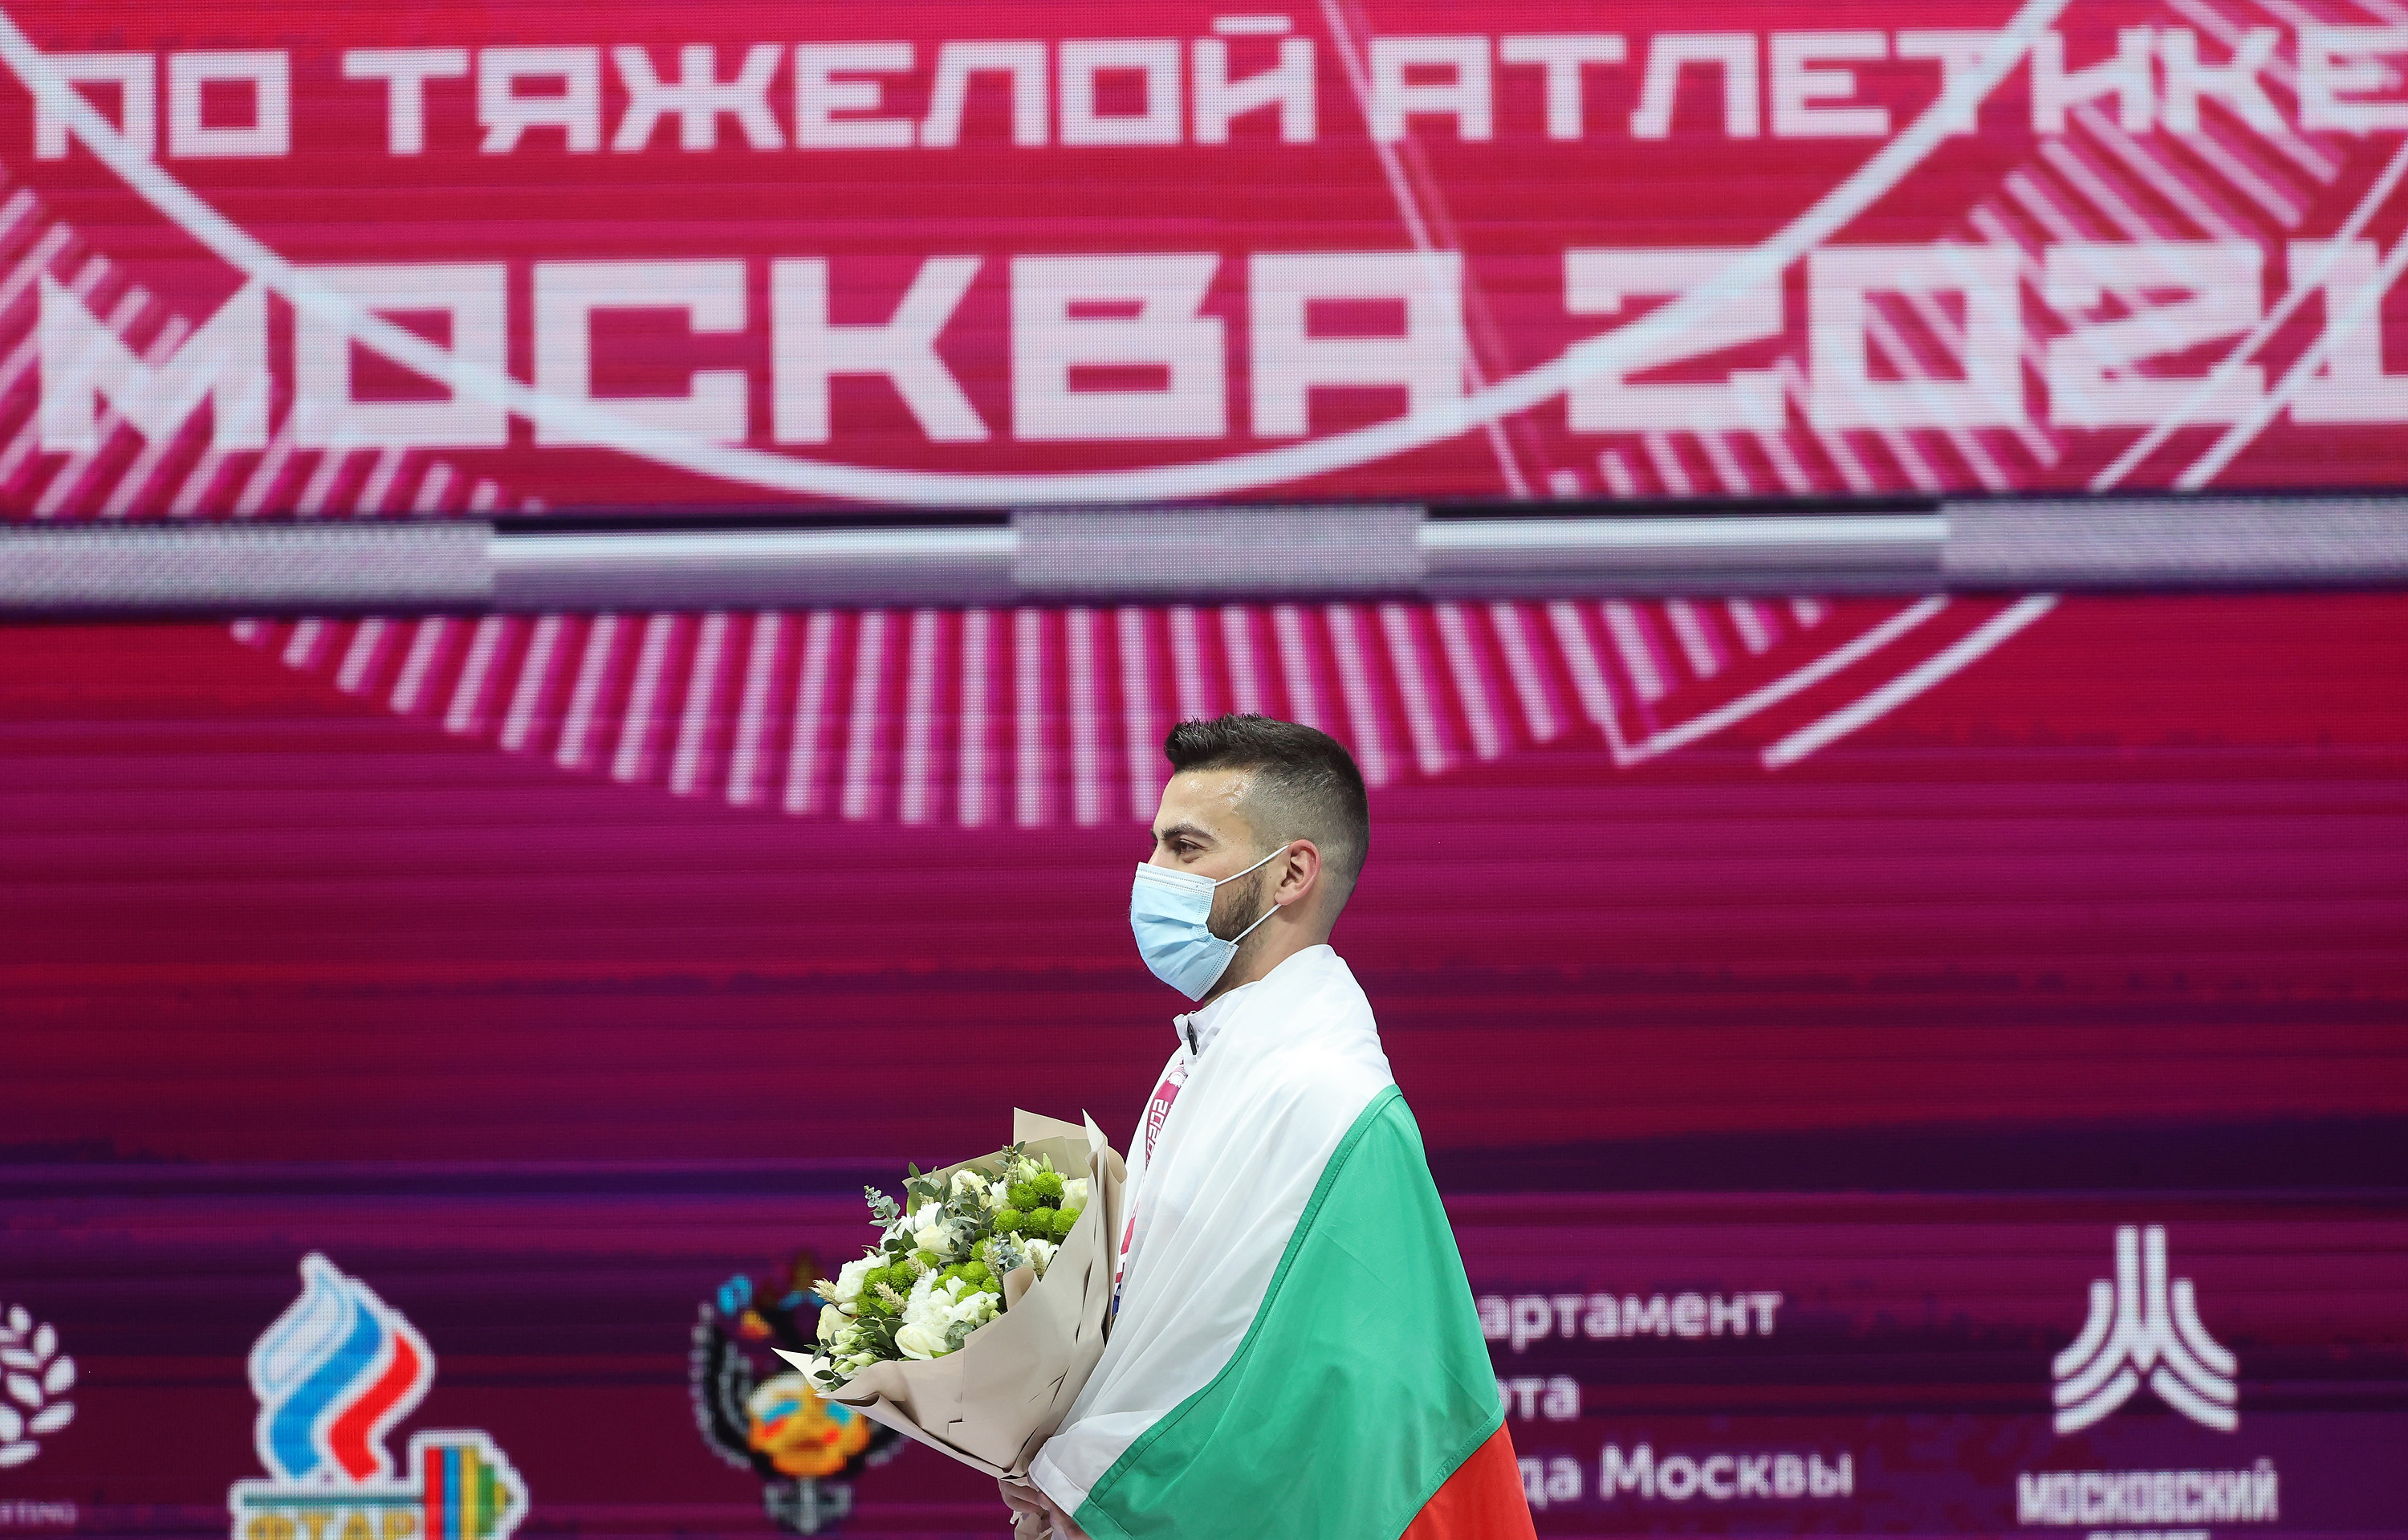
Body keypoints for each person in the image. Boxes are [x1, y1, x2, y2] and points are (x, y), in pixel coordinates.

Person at [1007, 715, 1536, 1540]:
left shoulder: (1329, 1095)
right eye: (1154, 845)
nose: (1152, 875)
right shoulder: (1215, 1052)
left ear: (1292, 873)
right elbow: (1169, 1320)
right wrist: (1059, 1461)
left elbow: (1309, 1395)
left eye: (1186, 848)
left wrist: (1092, 1487)